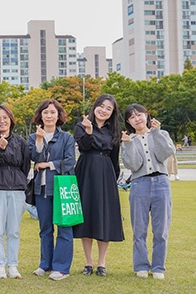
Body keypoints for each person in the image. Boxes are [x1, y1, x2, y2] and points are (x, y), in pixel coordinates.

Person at [121, 104, 175, 280]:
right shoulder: (128, 139)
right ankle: (141, 265)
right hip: (139, 184)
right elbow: (134, 165)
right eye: (132, 117)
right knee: (139, 229)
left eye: (139, 114)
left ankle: (159, 267)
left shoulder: (161, 133)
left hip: (161, 182)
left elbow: (165, 153)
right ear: (128, 121)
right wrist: (128, 145)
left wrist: (157, 132)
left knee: (161, 230)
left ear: (146, 115)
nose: (137, 119)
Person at [73, 94, 124, 277]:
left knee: (104, 216)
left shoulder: (114, 131)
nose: (103, 110)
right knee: (86, 216)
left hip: (106, 175)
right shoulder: (82, 125)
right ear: (95, 107)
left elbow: (114, 159)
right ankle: (88, 262)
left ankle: (102, 263)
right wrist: (88, 131)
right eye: (101, 106)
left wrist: (113, 180)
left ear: (112, 113)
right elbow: (84, 147)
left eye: (108, 108)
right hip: (85, 172)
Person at [28, 99, 75, 281]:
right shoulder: (33, 137)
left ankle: (61, 268)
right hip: (41, 189)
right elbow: (33, 157)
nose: (49, 115)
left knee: (64, 228)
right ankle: (45, 264)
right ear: (40, 116)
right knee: (45, 228)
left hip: (61, 188)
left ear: (58, 116)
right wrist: (39, 140)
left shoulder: (66, 138)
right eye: (45, 112)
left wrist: (48, 164)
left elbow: (70, 161)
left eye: (52, 112)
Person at [0, 104, 30, 279]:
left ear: (11, 120)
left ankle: (13, 265)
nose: (2, 121)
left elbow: (25, 166)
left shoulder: (21, 142)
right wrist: (0, 148)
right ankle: (0, 265)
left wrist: (18, 181)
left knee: (14, 230)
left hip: (17, 189)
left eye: (5, 117)